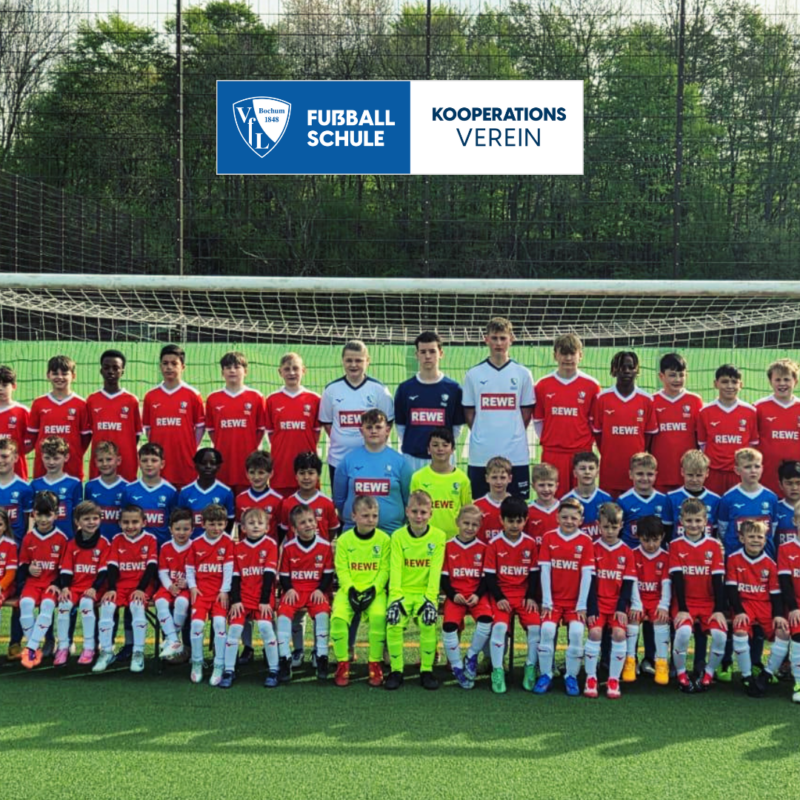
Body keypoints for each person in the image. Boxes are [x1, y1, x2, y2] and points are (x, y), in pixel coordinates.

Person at [462, 317, 535, 499]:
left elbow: (526, 412)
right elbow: (469, 412)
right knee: (480, 508)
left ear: (511, 339)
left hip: (515, 453)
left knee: (516, 508)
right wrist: (483, 431)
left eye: (503, 338)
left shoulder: (523, 374)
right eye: (494, 338)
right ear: (486, 339)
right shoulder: (474, 374)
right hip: (482, 454)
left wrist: (513, 431)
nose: (498, 343)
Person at [385, 490, 446, 691]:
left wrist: (430, 599)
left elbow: (435, 571)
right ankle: (396, 671)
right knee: (393, 622)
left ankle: (426, 671)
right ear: (407, 512)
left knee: (429, 622)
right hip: (402, 591)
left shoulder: (438, 537)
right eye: (414, 512)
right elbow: (395, 568)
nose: (418, 516)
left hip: (424, 593)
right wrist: (396, 598)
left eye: (423, 512)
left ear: (431, 513)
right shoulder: (398, 536)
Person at [533, 497, 594, 696]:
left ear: (581, 519)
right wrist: (547, 601)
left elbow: (587, 574)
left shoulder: (585, 541)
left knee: (576, 632)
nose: (569, 521)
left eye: (573, 518)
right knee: (547, 630)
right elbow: (545, 571)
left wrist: (582, 604)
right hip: (554, 602)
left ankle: (571, 676)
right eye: (565, 517)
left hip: (575, 604)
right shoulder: (549, 538)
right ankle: (546, 674)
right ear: (557, 517)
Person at [668, 497, 727, 693]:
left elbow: (718, 580)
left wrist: (719, 609)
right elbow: (677, 579)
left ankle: (708, 674)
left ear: (706, 521)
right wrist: (683, 609)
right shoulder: (675, 545)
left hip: (709, 602)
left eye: (698, 520)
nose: (693, 525)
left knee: (719, 635)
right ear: (681, 521)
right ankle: (682, 674)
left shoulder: (714, 545)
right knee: (683, 632)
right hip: (685, 602)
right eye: (689, 520)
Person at [331, 496, 390, 688]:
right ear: (353, 516)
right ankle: (342, 663)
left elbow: (384, 569)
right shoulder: (345, 540)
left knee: (379, 617)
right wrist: (350, 589)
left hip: (375, 591)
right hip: (349, 590)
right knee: (338, 618)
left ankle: (374, 664)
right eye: (365, 515)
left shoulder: (384, 539)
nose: (371, 519)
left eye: (374, 515)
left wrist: (374, 589)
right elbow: (342, 569)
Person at [92, 504, 158, 675]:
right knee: (107, 605)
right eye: (126, 522)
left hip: (142, 586)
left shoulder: (150, 539)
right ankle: (106, 652)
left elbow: (151, 567)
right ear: (120, 523)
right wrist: (112, 588)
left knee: (136, 606)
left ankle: (138, 652)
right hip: (121, 585)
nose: (130, 526)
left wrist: (142, 589)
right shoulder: (116, 540)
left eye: (135, 522)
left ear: (144, 522)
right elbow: (112, 567)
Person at [726, 519, 789, 697]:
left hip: (764, 605)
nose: (755, 540)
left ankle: (767, 673)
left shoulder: (770, 563)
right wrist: (738, 611)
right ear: (742, 538)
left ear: (765, 540)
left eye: (759, 536)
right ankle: (746, 676)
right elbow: (731, 589)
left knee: (783, 631)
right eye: (751, 536)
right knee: (739, 632)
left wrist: (778, 614)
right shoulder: (733, 559)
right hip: (744, 605)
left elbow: (775, 593)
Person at [484, 496, 540, 695]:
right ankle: (497, 671)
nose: (515, 525)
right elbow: (489, 576)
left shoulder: (531, 543)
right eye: (510, 521)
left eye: (519, 521)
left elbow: (534, 573)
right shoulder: (494, 544)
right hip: (502, 596)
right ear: (502, 521)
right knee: (498, 627)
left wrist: (531, 596)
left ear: (525, 521)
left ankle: (530, 667)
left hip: (524, 596)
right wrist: (499, 598)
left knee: (535, 628)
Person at [319, 340, 393, 486]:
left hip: (371, 460)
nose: (353, 365)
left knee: (370, 506)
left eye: (358, 360)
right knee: (341, 504)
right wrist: (343, 440)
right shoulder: (331, 390)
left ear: (368, 361)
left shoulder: (379, 390)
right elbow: (327, 423)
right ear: (343, 361)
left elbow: (388, 423)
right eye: (349, 360)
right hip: (339, 460)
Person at [221, 506, 280, 689]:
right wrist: (236, 600)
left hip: (262, 598)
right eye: (251, 523)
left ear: (267, 527)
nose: (256, 526)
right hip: (243, 598)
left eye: (260, 523)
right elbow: (235, 577)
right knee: (234, 629)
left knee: (265, 626)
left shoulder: (270, 545)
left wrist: (264, 601)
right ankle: (228, 670)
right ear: (243, 528)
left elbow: (269, 576)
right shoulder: (236, 547)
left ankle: (274, 669)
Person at [533, 333, 600, 494]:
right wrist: (553, 440)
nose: (568, 358)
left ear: (580, 356)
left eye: (572, 353)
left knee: (582, 499)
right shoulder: (542, 385)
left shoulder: (592, 385)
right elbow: (538, 421)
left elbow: (595, 423)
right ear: (555, 355)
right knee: (553, 499)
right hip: (553, 453)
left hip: (582, 453)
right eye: (563, 353)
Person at [584, 502, 638, 699]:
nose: (609, 531)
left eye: (614, 527)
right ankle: (591, 677)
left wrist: (622, 608)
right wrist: (591, 608)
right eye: (606, 527)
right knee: (596, 632)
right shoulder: (592, 548)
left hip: (617, 605)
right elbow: (589, 581)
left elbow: (627, 584)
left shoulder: (627, 552)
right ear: (599, 525)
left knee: (619, 634)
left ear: (621, 525)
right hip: (597, 603)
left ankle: (614, 679)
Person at [276, 503, 334, 683]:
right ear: (294, 529)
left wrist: (319, 590)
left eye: (311, 520)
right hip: (295, 589)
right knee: (283, 616)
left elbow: (328, 574)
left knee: (323, 614)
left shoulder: (324, 546)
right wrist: (289, 589)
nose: (308, 524)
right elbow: (284, 575)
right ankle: (285, 658)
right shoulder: (289, 547)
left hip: (315, 590)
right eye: (302, 523)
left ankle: (322, 655)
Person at [393, 331, 464, 472]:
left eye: (432, 351)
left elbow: (456, 428)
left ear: (441, 354)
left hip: (443, 459)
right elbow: (401, 427)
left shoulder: (453, 389)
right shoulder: (405, 388)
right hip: (412, 458)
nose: (427, 356)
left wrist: (440, 449)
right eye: (423, 352)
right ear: (416, 355)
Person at [333, 408, 412, 534]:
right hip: (353, 533)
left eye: (378, 427)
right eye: (369, 427)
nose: (373, 431)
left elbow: (408, 499)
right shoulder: (347, 461)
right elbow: (339, 500)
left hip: (391, 533)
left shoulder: (400, 463)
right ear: (361, 430)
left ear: (387, 430)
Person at [440, 505, 493, 690]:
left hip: (477, 596)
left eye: (474, 525)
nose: (470, 528)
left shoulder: (484, 548)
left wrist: (478, 595)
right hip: (456, 597)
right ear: (457, 523)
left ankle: (471, 655)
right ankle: (457, 667)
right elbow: (444, 577)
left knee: (486, 621)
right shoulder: (447, 546)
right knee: (449, 628)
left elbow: (487, 577)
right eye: (466, 523)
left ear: (480, 527)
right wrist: (453, 595)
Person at [591, 351, 657, 497]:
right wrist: (610, 453)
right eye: (621, 367)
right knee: (609, 515)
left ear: (637, 370)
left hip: (636, 473)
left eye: (630, 367)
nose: (626, 371)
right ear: (614, 370)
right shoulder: (602, 398)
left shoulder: (647, 400)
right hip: (610, 470)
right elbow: (597, 433)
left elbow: (649, 435)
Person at [54, 500, 110, 666]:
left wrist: (94, 588)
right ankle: (63, 646)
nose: (91, 522)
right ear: (77, 522)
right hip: (75, 587)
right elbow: (66, 570)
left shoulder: (104, 543)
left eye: (95, 518)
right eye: (86, 519)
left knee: (86, 604)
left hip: (95, 589)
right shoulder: (71, 544)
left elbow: (104, 571)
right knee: (64, 605)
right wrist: (64, 588)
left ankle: (89, 647)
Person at [142, 344, 205, 489]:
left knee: (184, 506)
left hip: (184, 461)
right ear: (160, 366)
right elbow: (148, 428)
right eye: (165, 363)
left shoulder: (193, 395)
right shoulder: (151, 396)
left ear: (183, 367)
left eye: (174, 363)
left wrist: (190, 448)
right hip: (159, 463)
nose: (169, 367)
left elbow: (200, 427)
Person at [205, 351, 267, 497]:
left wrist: (249, 446)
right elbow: (212, 431)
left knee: (247, 508)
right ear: (222, 372)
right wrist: (223, 445)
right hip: (223, 463)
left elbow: (260, 431)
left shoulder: (256, 397)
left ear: (245, 371)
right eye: (227, 367)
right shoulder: (213, 398)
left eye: (236, 367)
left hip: (248, 464)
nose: (232, 370)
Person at [185, 503, 234, 686]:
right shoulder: (196, 544)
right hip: (201, 593)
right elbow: (190, 568)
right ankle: (197, 662)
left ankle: (219, 664)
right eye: (212, 524)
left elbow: (229, 569)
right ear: (203, 524)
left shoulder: (228, 542)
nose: (216, 528)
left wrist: (224, 590)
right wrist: (193, 587)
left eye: (220, 524)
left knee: (220, 623)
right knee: (197, 623)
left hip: (218, 594)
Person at [18, 491, 67, 668]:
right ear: (33, 514)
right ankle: (35, 647)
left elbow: (64, 569)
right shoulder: (29, 538)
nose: (44, 519)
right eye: (40, 514)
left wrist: (56, 584)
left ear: (56, 514)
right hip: (33, 583)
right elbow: (22, 563)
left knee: (47, 606)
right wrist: (29, 568)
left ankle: (30, 648)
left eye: (48, 514)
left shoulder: (61, 539)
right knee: (26, 605)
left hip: (51, 585)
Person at [264, 352, 322, 498]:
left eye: (295, 368)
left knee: (308, 513)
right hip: (281, 466)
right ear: (280, 372)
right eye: (287, 369)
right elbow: (271, 434)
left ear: (303, 370)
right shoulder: (272, 400)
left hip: (307, 467)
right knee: (281, 511)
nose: (291, 373)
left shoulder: (314, 399)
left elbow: (316, 433)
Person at [697, 364, 758, 496]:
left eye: (734, 382)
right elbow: (703, 445)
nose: (730, 386)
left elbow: (752, 444)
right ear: (715, 384)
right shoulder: (705, 412)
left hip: (739, 473)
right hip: (713, 473)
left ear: (741, 385)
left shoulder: (750, 412)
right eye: (725, 382)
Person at [28, 355, 90, 481]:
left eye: (65, 373)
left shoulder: (81, 404)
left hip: (72, 466)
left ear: (73, 376)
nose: (60, 377)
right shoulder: (39, 403)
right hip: (43, 468)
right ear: (48, 375)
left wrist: (73, 453)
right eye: (55, 373)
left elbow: (85, 438)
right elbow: (32, 437)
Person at [86, 349, 142, 482]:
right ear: (101, 371)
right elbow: (87, 434)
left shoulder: (131, 400)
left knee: (126, 501)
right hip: (100, 463)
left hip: (125, 464)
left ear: (122, 371)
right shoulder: (92, 400)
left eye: (115, 368)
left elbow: (137, 435)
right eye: (106, 367)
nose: (110, 371)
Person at [650, 353, 703, 494]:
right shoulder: (652, 401)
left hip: (688, 474)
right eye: (672, 375)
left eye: (681, 375)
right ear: (661, 376)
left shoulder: (695, 401)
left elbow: (700, 438)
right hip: (660, 472)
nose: (677, 379)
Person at [409, 427, 472, 539]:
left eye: (445, 445)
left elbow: (467, 511)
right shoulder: (418, 478)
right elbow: (413, 510)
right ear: (428, 449)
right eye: (435, 445)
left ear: (452, 449)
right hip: (426, 538)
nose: (440, 449)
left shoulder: (462, 479)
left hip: (454, 538)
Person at [632, 515, 672, 684]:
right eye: (646, 540)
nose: (651, 545)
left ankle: (660, 662)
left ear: (662, 537)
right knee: (632, 620)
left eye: (655, 540)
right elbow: (632, 582)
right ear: (638, 537)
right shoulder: (632, 554)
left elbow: (667, 584)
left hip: (656, 600)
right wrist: (636, 604)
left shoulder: (666, 556)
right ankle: (630, 660)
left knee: (661, 621)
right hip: (638, 600)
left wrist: (664, 605)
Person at [717, 448, 778, 557]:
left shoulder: (771, 498)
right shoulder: (728, 498)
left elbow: (772, 531)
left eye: (757, 466)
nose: (753, 470)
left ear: (762, 468)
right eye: (747, 467)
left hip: (765, 559)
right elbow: (723, 531)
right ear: (737, 470)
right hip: (735, 559)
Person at [152, 507, 193, 661]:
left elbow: (198, 571)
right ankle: (174, 640)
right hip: (168, 586)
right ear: (171, 529)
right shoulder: (165, 547)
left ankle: (172, 639)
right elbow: (162, 571)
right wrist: (169, 586)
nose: (181, 532)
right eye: (177, 529)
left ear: (192, 530)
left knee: (182, 602)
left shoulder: (194, 547)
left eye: (186, 529)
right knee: (160, 601)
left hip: (186, 587)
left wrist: (187, 582)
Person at [755, 358, 800, 495]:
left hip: (796, 478)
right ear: (770, 382)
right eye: (777, 379)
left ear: (795, 382)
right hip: (768, 473)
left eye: (786, 379)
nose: (782, 384)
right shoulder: (758, 407)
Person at [123, 442, 178, 547]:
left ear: (162, 464)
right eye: (144, 460)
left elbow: (174, 522)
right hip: (135, 548)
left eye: (154, 460)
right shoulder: (129, 490)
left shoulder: (171, 491)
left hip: (161, 547)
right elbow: (123, 520)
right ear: (139, 464)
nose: (149, 464)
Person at [278, 451, 340, 542]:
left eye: (311, 473)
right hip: (295, 554)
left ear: (318, 476)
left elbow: (332, 529)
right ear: (296, 476)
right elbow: (284, 530)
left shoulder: (327, 503)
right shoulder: (287, 504)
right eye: (302, 473)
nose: (306, 477)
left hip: (320, 554)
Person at [30, 436, 83, 540]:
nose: (51, 462)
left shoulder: (74, 484)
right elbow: (32, 518)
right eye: (47, 458)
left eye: (56, 458)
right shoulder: (35, 485)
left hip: (67, 541)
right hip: (41, 541)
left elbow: (78, 517)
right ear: (41, 457)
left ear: (66, 457)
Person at [177, 447, 235, 539]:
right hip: (191, 545)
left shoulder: (226, 492)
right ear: (196, 465)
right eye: (203, 463)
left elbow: (230, 521)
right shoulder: (185, 492)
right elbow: (179, 521)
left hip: (216, 545)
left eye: (212, 463)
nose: (208, 466)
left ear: (218, 466)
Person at [665, 449, 720, 539]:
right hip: (679, 550)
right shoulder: (671, 498)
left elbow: (715, 531)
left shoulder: (715, 499)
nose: (694, 480)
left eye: (699, 475)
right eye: (690, 475)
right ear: (682, 472)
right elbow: (667, 529)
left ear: (707, 473)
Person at [618, 453, 668, 548]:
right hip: (631, 555)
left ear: (656, 475)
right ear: (631, 474)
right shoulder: (623, 501)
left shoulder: (664, 500)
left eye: (649, 474)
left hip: (657, 555)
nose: (645, 478)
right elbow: (618, 532)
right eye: (640, 474)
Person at [560, 451, 612, 541]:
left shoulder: (607, 499)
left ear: (597, 472)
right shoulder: (566, 500)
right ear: (575, 473)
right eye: (582, 468)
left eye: (591, 468)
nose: (587, 472)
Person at [235, 450, 284, 542]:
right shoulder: (240, 498)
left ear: (271, 474)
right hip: (246, 551)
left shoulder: (278, 499)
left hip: (268, 551)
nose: (256, 477)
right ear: (247, 474)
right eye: (252, 472)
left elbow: (281, 529)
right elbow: (239, 526)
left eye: (261, 473)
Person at [776, 520, 800, 703]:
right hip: (795, 606)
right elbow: (785, 582)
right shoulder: (786, 548)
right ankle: (799, 683)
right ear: (796, 521)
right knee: (798, 636)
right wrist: (793, 608)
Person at [84, 440, 127, 541]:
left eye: (109, 459)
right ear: (95, 462)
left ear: (118, 460)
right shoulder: (90, 486)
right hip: (96, 541)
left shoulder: (127, 487)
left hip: (120, 542)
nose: (105, 463)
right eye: (100, 460)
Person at [0, 364, 32, 479]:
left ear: (14, 386)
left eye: (4, 385)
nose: (0, 388)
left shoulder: (23, 411)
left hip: (16, 471)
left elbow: (31, 442)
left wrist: (12, 455)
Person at [0, 438, 33, 545]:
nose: (0, 460)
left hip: (16, 551)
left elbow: (27, 523)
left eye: (5, 456)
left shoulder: (25, 488)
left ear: (15, 458)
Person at [473, 456, 513, 543]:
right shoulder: (476, 506)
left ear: (509, 478)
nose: (498, 482)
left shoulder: (516, 505)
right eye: (494, 477)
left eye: (502, 478)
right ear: (487, 478)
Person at [525, 462, 560, 548]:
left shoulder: (563, 509)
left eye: (550, 485)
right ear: (533, 486)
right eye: (541, 485)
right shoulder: (527, 510)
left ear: (556, 486)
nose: (546, 489)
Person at [775, 461, 800, 549]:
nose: (794, 488)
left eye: (798, 483)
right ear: (780, 485)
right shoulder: (775, 509)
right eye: (789, 483)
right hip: (782, 561)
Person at [0, 509, 17, 624]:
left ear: (5, 527)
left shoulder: (10, 545)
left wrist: (1, 587)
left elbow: (10, 574)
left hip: (5, 587)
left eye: (0, 524)